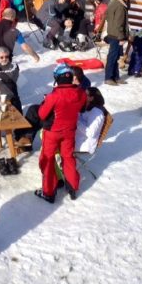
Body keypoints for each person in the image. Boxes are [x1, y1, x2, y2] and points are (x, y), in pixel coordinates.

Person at [35, 64, 87, 203]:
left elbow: (42, 114)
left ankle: (48, 192)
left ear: (57, 78)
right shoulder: (80, 93)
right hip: (69, 131)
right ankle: (72, 187)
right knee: (68, 157)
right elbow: (81, 106)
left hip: (53, 132)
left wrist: (44, 102)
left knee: (47, 159)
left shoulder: (54, 96)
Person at [103, 0, 129, 86]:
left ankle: (115, 77)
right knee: (112, 57)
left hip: (112, 33)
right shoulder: (120, 6)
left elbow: (108, 18)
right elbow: (119, 23)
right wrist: (121, 37)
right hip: (116, 35)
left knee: (115, 57)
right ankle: (109, 77)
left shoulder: (114, 3)